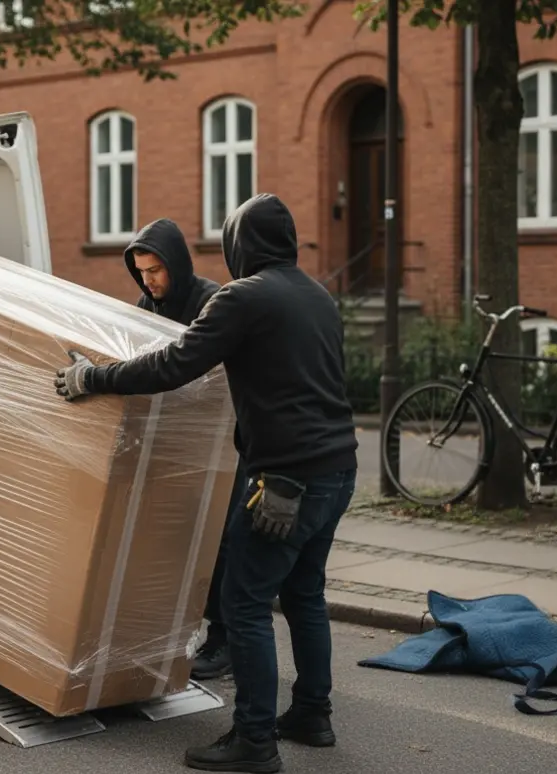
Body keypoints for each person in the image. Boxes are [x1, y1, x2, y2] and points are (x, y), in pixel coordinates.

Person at [55, 193, 359, 773]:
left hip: (284, 480)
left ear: (237, 243)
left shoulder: (241, 298)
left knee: (243, 604)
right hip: (338, 470)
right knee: (303, 594)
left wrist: (93, 376)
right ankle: (313, 715)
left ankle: (254, 741)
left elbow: (172, 365)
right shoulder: (317, 296)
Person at [123, 218, 240, 681]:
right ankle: (189, 632)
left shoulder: (209, 301)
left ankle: (226, 638)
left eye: (155, 270)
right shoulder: (146, 303)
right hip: (172, 444)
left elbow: (204, 374)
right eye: (141, 272)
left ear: (175, 264)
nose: (149, 281)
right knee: (185, 542)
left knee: (221, 544)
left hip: (220, 446)